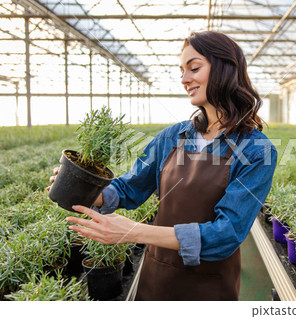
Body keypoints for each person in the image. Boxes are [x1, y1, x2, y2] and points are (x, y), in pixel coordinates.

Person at [49, 31, 277, 301]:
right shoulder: (172, 136)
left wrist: (134, 231)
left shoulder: (257, 150)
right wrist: (90, 190)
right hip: (157, 276)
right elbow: (131, 187)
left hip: (210, 285)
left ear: (226, 69)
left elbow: (226, 233)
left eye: (194, 68)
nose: (184, 79)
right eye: (181, 71)